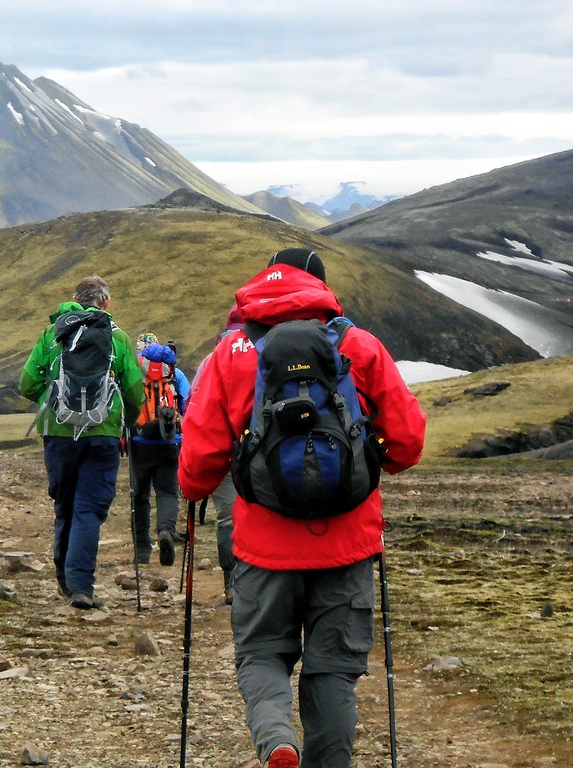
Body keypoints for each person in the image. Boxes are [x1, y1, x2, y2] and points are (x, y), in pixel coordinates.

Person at [178, 248, 426, 768]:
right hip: (348, 542)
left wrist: (194, 490)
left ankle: (277, 741)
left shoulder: (231, 353)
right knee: (333, 669)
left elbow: (198, 463)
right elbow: (406, 443)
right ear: (320, 288)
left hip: (262, 546)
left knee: (262, 652)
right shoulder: (357, 345)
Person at [20, 275, 144, 610]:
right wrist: (126, 421)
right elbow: (134, 390)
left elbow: (27, 383)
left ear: (75, 298)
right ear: (106, 302)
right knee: (89, 509)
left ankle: (65, 580)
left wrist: (53, 398)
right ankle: (80, 586)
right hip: (103, 433)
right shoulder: (117, 337)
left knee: (64, 504)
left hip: (59, 432)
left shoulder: (52, 334)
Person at [187, 306, 245, 604]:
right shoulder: (264, 352)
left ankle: (231, 584)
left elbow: (193, 406)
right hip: (257, 453)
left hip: (222, 455)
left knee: (227, 518)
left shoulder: (212, 360)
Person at [129, 332, 191, 567]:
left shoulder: (134, 371)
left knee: (140, 495)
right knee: (167, 492)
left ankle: (142, 549)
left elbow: (127, 401)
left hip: (140, 442)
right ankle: (166, 530)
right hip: (169, 442)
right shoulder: (175, 373)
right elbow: (188, 403)